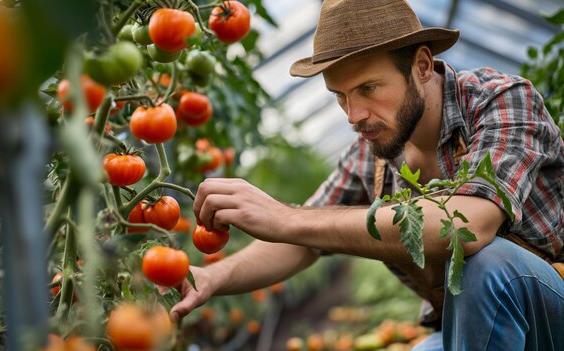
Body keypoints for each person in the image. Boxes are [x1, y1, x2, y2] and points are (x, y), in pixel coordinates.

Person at [170, 0, 564, 349]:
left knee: (486, 261)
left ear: (422, 66)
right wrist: (210, 277)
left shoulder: (501, 101)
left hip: (550, 316)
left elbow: (470, 227)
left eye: (368, 88)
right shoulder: (374, 152)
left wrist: (288, 216)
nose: (353, 115)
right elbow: (301, 242)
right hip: (461, 328)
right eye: (340, 96)